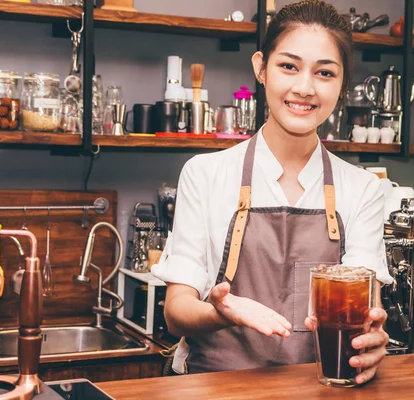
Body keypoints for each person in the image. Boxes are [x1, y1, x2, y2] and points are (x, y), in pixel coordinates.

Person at [152, 0, 392, 385]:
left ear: (343, 84)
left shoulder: (362, 189)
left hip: (323, 391)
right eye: (289, 66)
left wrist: (372, 341)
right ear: (260, 68)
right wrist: (222, 310)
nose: (304, 88)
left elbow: (367, 312)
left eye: (325, 72)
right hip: (215, 390)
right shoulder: (205, 174)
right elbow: (176, 310)